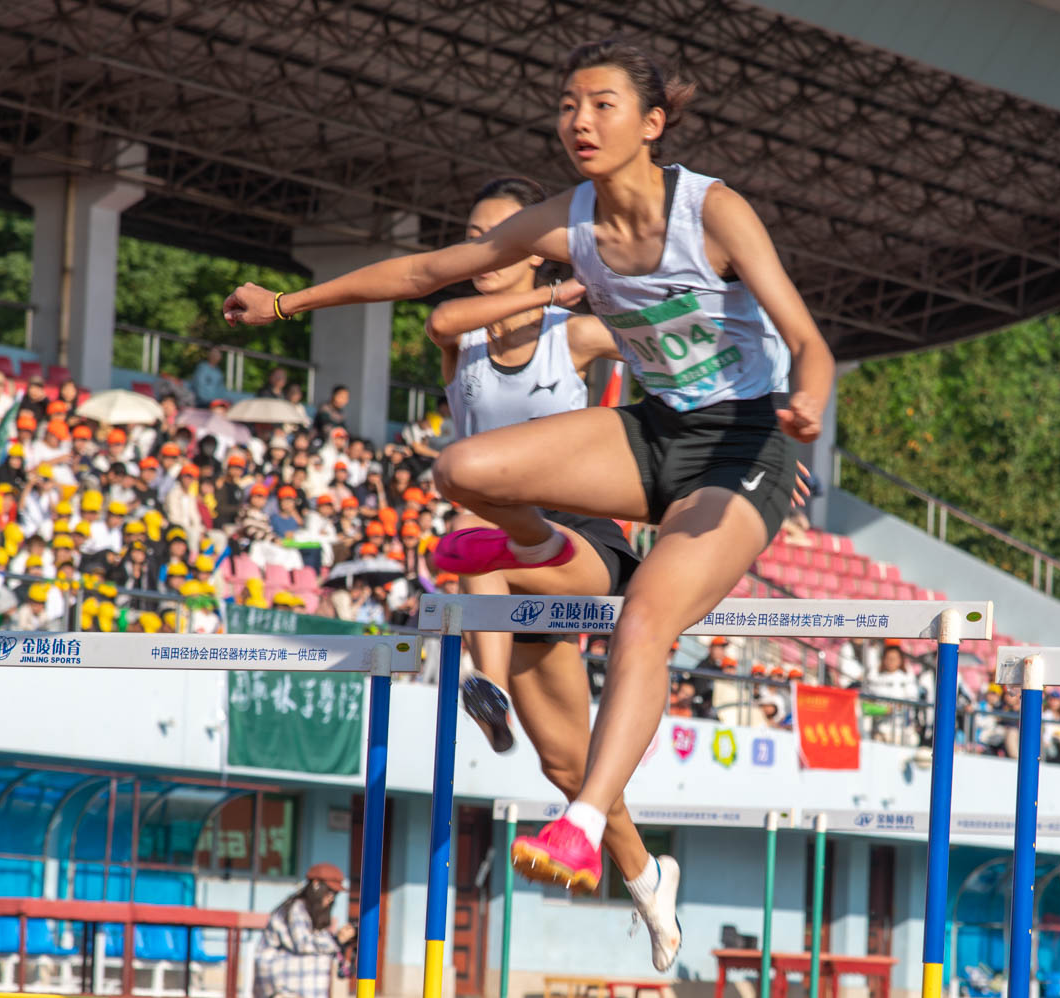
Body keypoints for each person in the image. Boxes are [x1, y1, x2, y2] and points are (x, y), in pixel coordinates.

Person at [223, 39, 832, 897]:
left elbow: (808, 341)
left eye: (603, 105)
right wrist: (286, 301)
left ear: (652, 123)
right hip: (651, 434)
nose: (579, 121)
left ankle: (584, 822)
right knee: (463, 470)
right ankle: (541, 549)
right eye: (567, 105)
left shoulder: (714, 211)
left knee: (644, 621)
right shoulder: (567, 220)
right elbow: (428, 273)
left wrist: (804, 399)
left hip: (741, 446)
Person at [422, 175, 679, 968]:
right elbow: (440, 312)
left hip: (579, 551)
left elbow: (676, 348)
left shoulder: (578, 338)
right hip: (504, 575)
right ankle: (647, 878)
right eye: (472, 237)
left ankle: (485, 681)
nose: (482, 252)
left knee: (477, 520)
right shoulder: (458, 336)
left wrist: (758, 435)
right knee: (566, 762)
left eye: (499, 238)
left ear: (533, 251)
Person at [253, 862, 356, 998]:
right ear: (316, 884)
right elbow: (303, 944)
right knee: (319, 961)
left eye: (335, 894)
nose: (331, 898)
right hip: (276, 980)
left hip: (289, 980)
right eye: (329, 891)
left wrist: (342, 943)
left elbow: (322, 944)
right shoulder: (297, 908)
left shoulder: (313, 913)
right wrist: (336, 940)